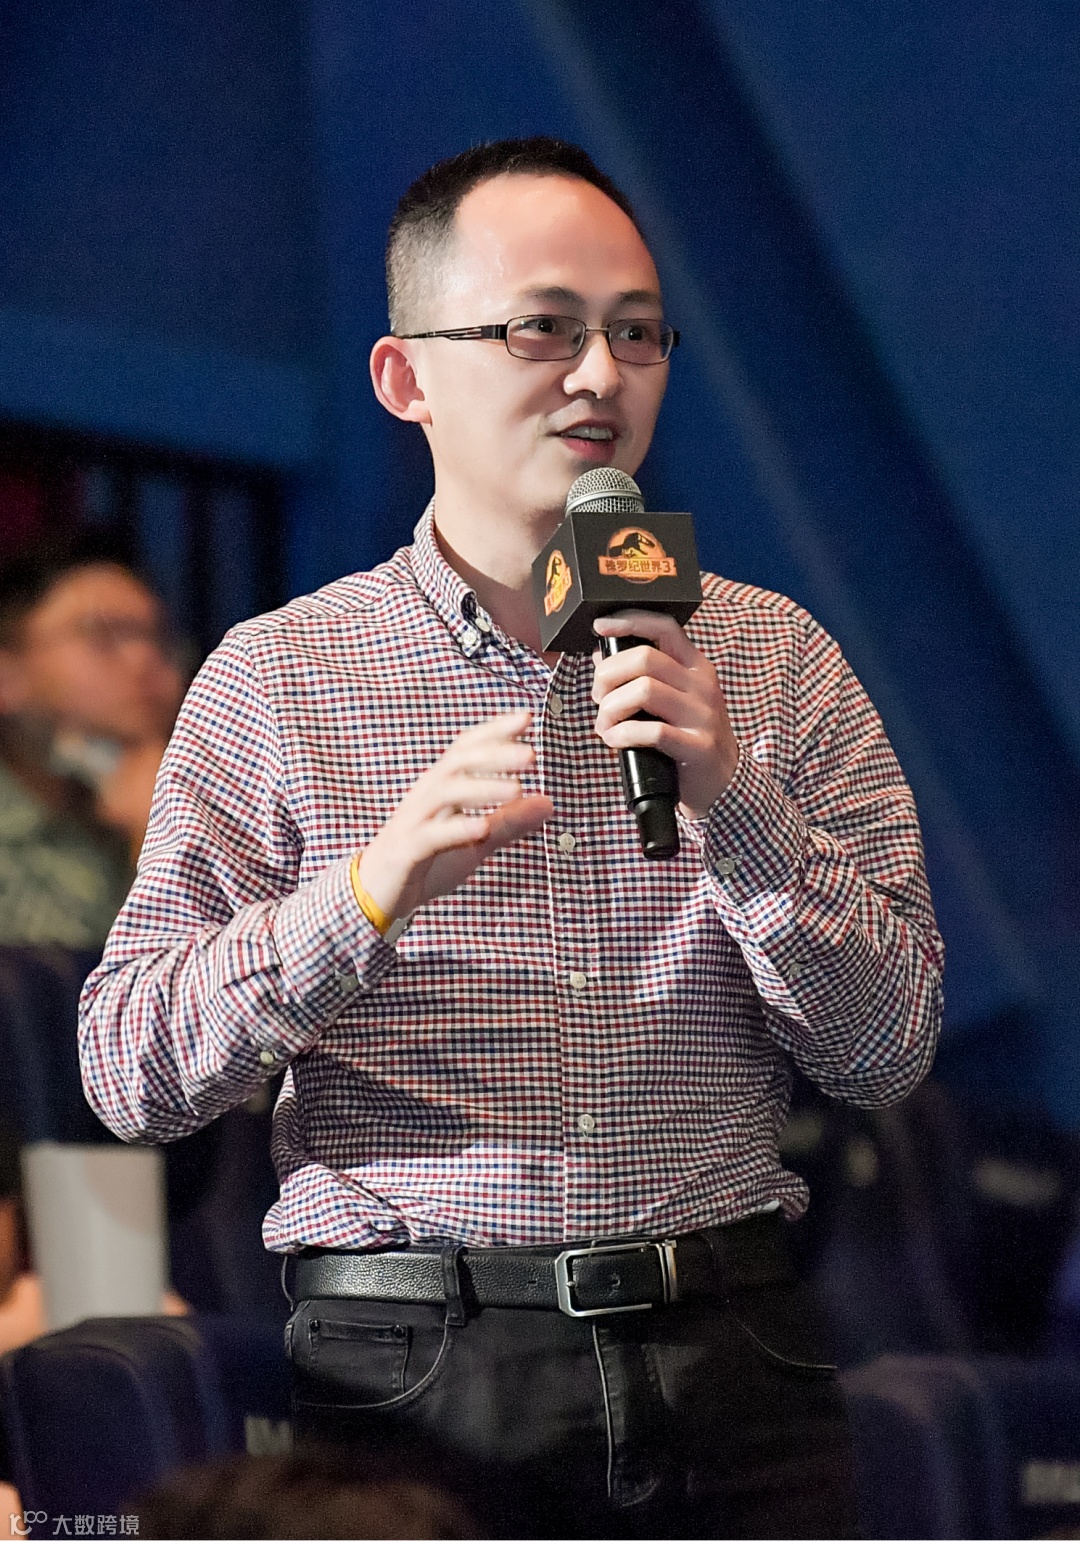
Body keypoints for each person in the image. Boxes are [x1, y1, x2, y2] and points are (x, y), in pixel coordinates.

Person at [79, 138, 944, 1538]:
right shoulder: (282, 676)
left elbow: (888, 1047)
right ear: (405, 378)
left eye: (638, 334)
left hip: (733, 1356)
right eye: (544, 328)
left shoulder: (775, 660)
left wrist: (737, 806)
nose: (602, 374)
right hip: (416, 1370)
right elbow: (131, 1071)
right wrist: (365, 894)